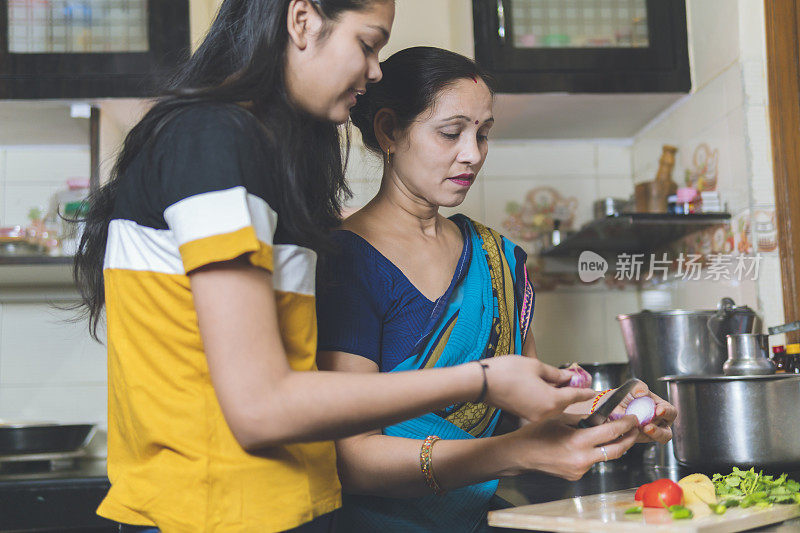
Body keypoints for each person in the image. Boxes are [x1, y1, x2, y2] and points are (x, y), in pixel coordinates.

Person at [73, 3, 603, 532]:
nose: (375, 70)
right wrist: (482, 380)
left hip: (280, 509)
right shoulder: (213, 139)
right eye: (368, 44)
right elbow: (260, 407)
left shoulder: (262, 162)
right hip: (209, 513)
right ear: (302, 20)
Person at [316, 46, 677, 532]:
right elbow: (353, 458)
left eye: (483, 134)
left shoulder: (499, 257)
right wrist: (510, 454)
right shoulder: (345, 260)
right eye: (451, 133)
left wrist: (611, 409)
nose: (473, 154)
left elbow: (529, 407)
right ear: (387, 131)